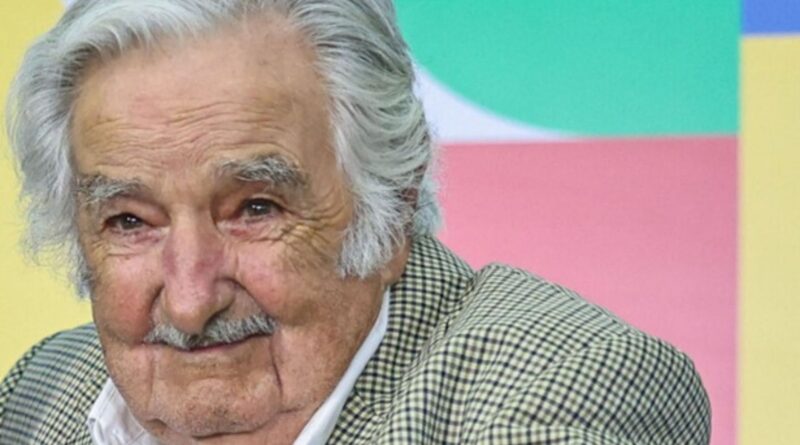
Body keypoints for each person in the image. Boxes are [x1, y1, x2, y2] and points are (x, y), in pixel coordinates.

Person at [0, 1, 710, 444]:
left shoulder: (557, 393)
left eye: (255, 209)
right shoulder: (42, 395)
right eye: (130, 221)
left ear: (392, 207)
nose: (189, 302)